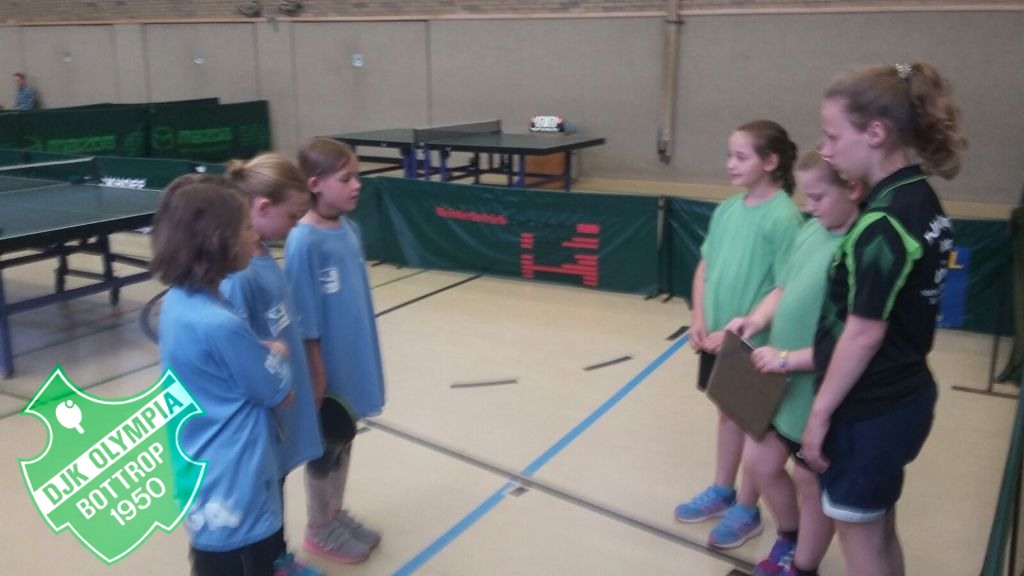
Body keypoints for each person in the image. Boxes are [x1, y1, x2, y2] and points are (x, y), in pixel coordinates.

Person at [803, 61, 965, 576]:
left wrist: (820, 413)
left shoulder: (883, 224)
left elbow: (864, 332)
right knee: (877, 529)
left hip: (871, 408)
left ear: (875, 133)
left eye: (832, 136)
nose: (825, 150)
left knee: (862, 545)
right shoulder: (920, 198)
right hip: (903, 397)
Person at [727, 152, 863, 576]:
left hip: (815, 384)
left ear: (853, 190)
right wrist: (756, 318)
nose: (810, 205)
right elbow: (783, 288)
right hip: (780, 380)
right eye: (806, 196)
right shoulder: (811, 231)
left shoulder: (858, 246)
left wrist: (790, 359)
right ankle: (789, 535)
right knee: (760, 462)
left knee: (809, 480)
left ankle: (803, 565)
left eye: (819, 196)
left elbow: (852, 341)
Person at [153, 174, 295, 576]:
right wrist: (279, 351)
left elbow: (227, 364)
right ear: (220, 241)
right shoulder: (221, 324)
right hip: (238, 482)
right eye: (246, 227)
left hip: (203, 470)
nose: (255, 236)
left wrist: (258, 353)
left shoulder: (180, 303)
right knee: (247, 563)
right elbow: (280, 393)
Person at [675, 120, 804, 548]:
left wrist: (743, 330)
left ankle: (747, 511)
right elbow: (705, 266)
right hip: (714, 337)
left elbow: (784, 285)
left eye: (741, 156)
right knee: (726, 412)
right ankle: (722, 489)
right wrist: (699, 318)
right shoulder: (728, 209)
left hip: (755, 344)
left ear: (770, 162)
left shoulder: (784, 216)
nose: (730, 164)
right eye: (729, 155)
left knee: (754, 428)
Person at [220, 154, 325, 576]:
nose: (297, 224)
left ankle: (277, 559)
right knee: (262, 492)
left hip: (282, 403)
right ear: (262, 208)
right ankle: (265, 564)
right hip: (263, 414)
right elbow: (242, 357)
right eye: (292, 215)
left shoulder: (261, 252)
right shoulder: (239, 275)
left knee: (276, 484)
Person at [285, 137, 385, 564]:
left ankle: (334, 512)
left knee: (345, 439)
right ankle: (317, 527)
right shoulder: (302, 242)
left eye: (356, 176)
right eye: (346, 178)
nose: (356, 185)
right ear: (315, 184)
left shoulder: (347, 227)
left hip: (354, 357)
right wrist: (316, 372)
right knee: (326, 445)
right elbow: (304, 317)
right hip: (325, 368)